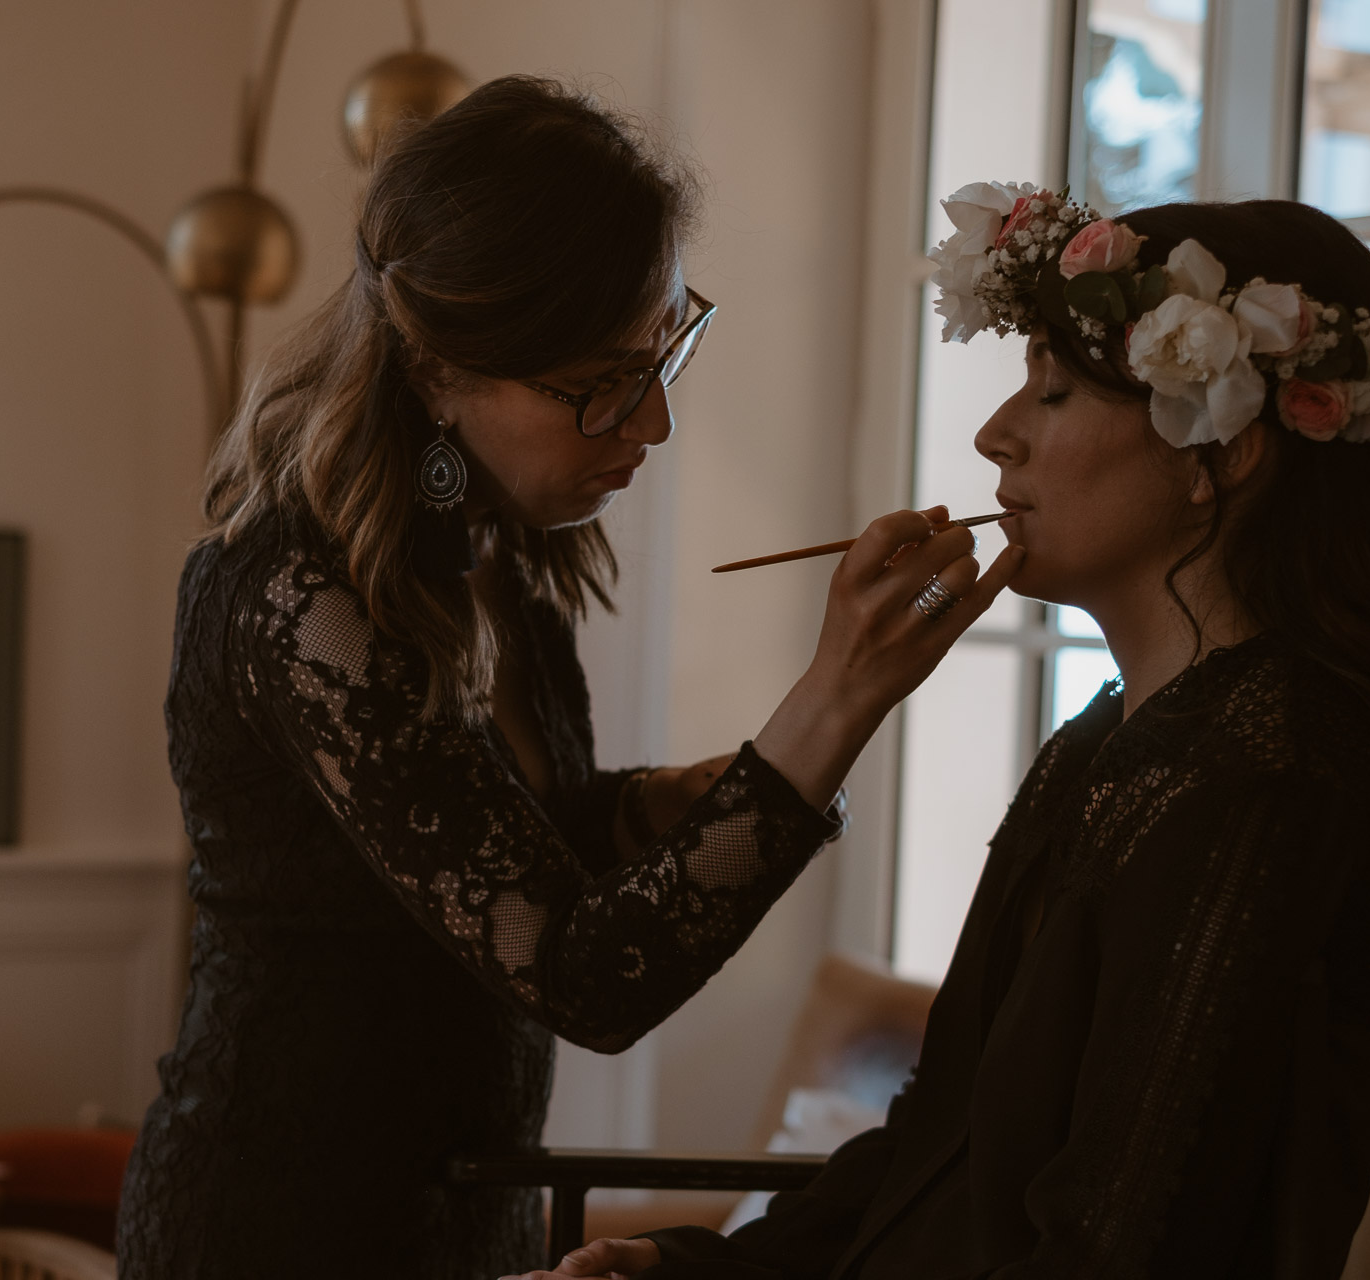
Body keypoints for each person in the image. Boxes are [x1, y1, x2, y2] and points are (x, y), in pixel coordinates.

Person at [117, 79, 1022, 1280]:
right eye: (596, 379)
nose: (647, 422)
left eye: (662, 351)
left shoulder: (494, 552)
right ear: (438, 364)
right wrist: (832, 700)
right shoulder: (300, 598)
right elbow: (577, 974)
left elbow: (500, 849)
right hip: (283, 1230)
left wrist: (654, 804)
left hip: (465, 1217)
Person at [524, 189, 1370, 1280]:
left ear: (1214, 453)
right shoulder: (1103, 741)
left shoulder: (1270, 772)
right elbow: (937, 1145)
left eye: (1056, 391)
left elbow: (1119, 1243)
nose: (996, 433)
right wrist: (684, 1266)